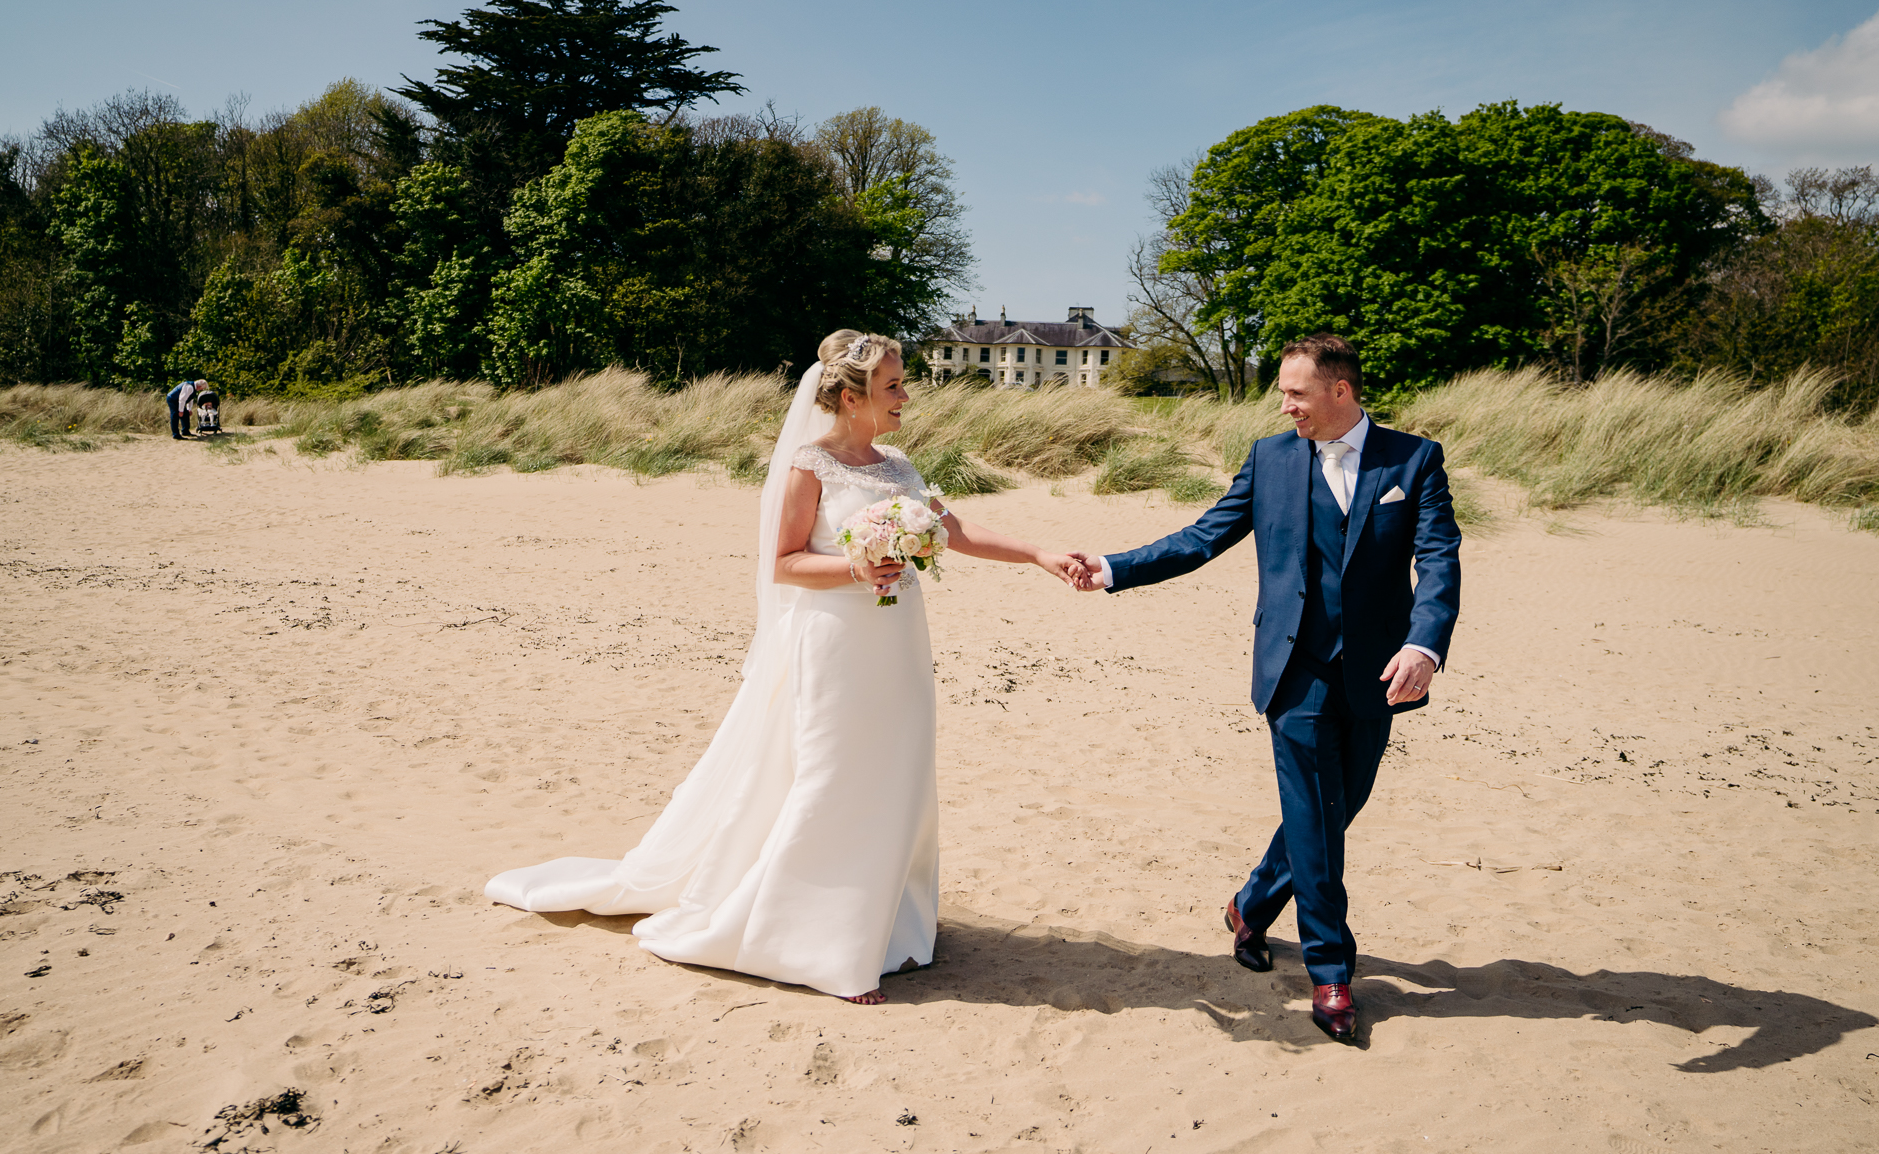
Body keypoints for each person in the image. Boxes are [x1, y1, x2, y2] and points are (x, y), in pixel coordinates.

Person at [485, 331, 1085, 1004]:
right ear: (851, 396)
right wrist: (856, 564)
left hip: (899, 645)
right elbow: (783, 563)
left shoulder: (898, 464)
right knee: (833, 775)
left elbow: (958, 533)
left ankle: (885, 927)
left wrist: (1040, 554)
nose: (906, 395)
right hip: (836, 641)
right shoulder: (810, 464)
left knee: (898, 773)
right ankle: (817, 944)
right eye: (893, 386)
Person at [1068, 334, 1460, 1043]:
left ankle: (1251, 905)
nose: (1285, 406)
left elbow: (1437, 560)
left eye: (1297, 394)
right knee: (1317, 820)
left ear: (1340, 391)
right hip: (1294, 670)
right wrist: (1115, 567)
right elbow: (1203, 536)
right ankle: (1332, 971)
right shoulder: (1270, 458)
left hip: (1378, 673)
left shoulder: (1414, 459)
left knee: (1338, 807)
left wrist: (1424, 643)